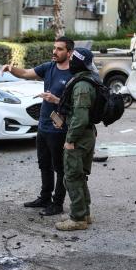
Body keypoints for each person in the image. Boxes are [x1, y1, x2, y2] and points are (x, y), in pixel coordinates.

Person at [1, 36, 75, 216]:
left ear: (69, 53)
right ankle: (45, 198)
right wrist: (11, 68)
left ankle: (57, 204)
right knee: (44, 164)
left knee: (60, 168)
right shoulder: (49, 67)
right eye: (54, 48)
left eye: (59, 49)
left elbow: (77, 105)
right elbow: (26, 73)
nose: (54, 52)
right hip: (43, 125)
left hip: (60, 129)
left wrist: (55, 100)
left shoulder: (74, 74)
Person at [55, 48, 97, 231]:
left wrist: (70, 139)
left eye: (72, 59)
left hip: (79, 136)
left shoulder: (81, 85)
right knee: (80, 176)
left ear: (79, 62)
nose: (69, 61)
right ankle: (85, 213)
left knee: (71, 177)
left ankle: (78, 218)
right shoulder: (90, 78)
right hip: (87, 134)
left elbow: (80, 117)